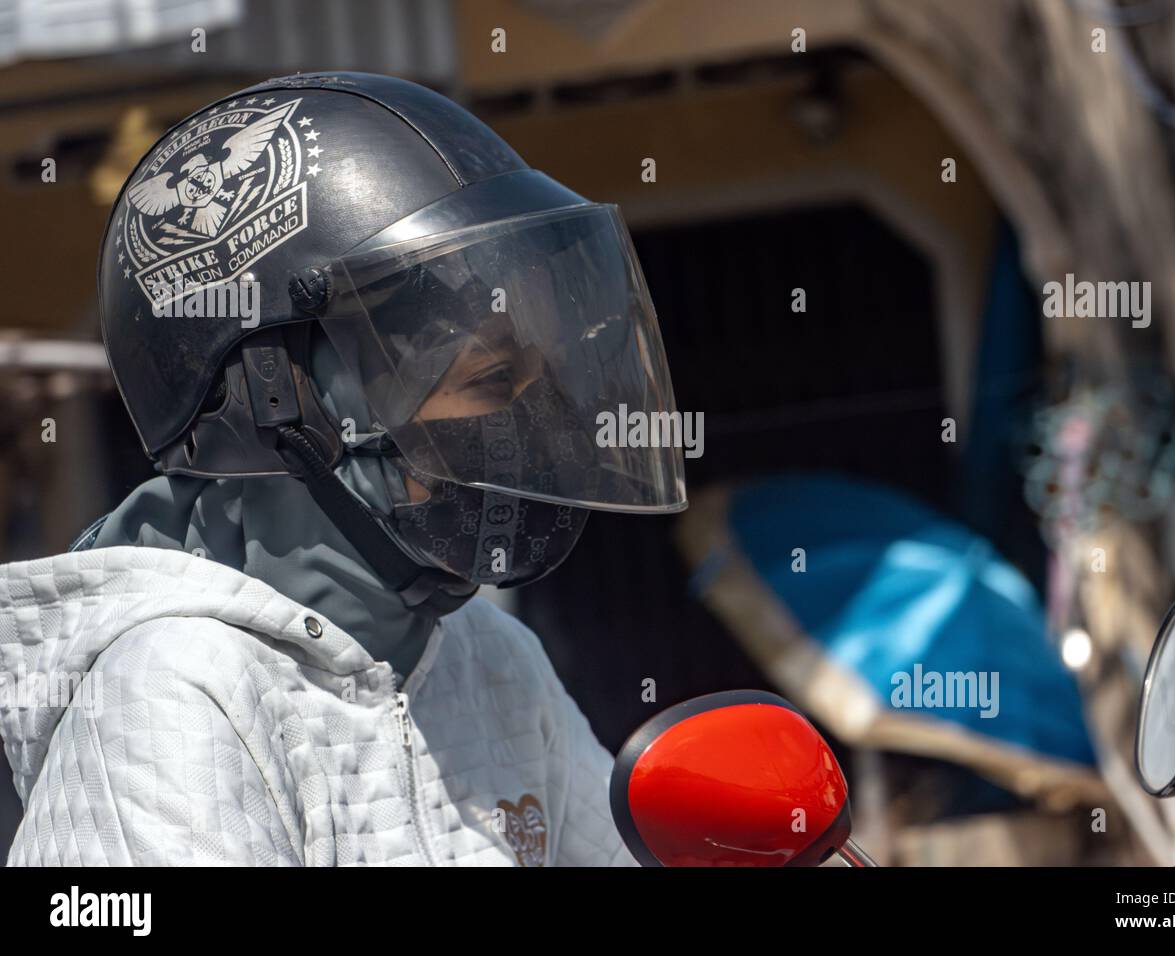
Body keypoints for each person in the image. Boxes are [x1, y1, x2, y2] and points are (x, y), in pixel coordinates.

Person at [0, 72, 686, 866]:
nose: (531, 423)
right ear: (278, 406)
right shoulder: (175, 693)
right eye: (491, 382)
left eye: (539, 379)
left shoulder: (488, 658)